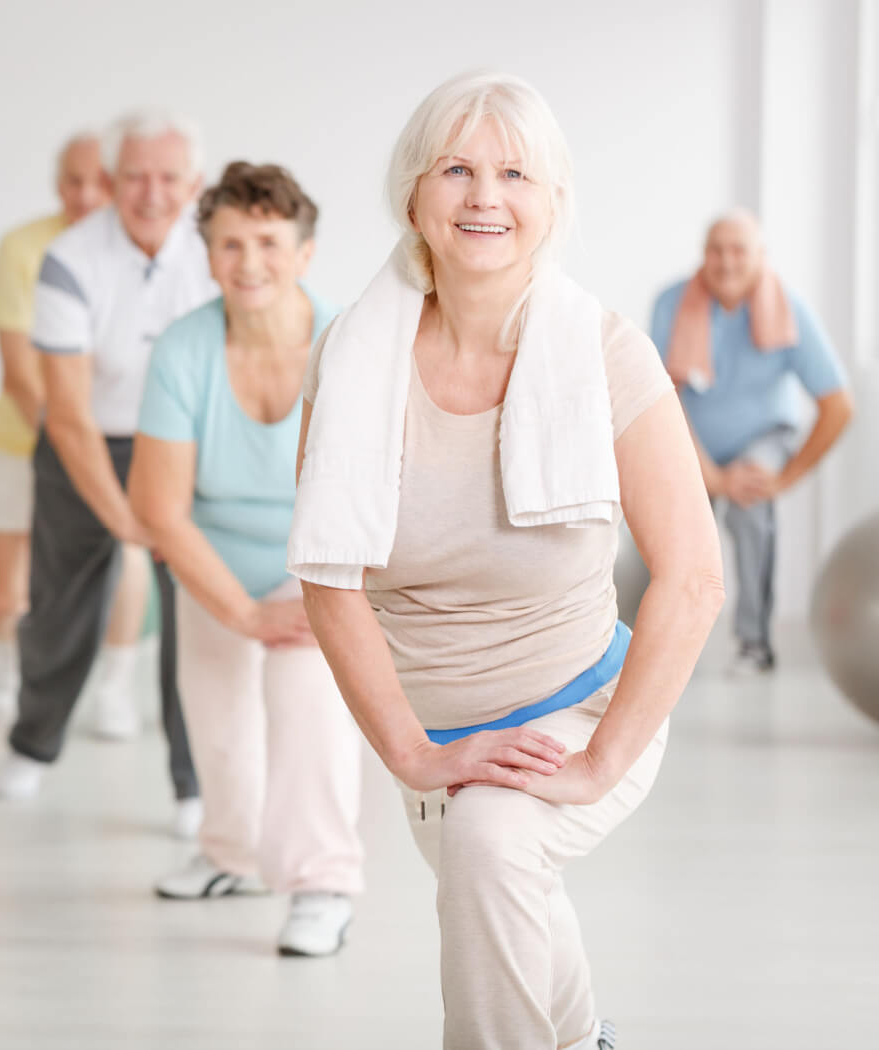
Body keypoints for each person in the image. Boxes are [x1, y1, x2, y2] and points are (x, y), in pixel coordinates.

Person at [290, 72, 723, 1048]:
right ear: (413, 195)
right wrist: (412, 753)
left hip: (579, 708)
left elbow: (693, 579)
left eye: (514, 172)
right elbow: (328, 581)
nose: (485, 195)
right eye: (457, 168)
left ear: (551, 202)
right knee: (502, 888)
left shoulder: (606, 353)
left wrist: (599, 763)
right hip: (434, 732)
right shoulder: (353, 360)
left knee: (490, 841)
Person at [130, 162, 365, 956]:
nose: (248, 261)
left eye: (268, 242)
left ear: (305, 252)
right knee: (221, 728)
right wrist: (239, 611)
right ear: (207, 254)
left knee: (305, 705)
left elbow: (381, 490)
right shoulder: (184, 349)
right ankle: (231, 857)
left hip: (320, 568)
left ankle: (324, 881)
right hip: (213, 565)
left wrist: (310, 598)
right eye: (229, 243)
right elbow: (157, 508)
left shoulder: (352, 343)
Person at [0, 110, 216, 839]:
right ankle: (33, 743)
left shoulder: (217, 249)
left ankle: (193, 782)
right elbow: (68, 410)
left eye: (168, 177)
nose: (152, 192)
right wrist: (124, 521)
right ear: (113, 181)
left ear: (195, 183)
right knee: (60, 607)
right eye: (135, 176)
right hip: (85, 438)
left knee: (194, 611)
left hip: (186, 442)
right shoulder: (70, 257)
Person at [0, 131, 154, 737]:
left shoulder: (138, 253)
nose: (85, 195)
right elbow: (21, 372)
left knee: (124, 560)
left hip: (109, 441)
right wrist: (66, 448)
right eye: (72, 181)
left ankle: (113, 685)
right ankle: (15, 666)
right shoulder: (24, 246)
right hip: (25, 437)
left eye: (98, 181)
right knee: (4, 595)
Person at [650, 210, 853, 673]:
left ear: (761, 257)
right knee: (669, 518)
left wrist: (785, 479)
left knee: (751, 502)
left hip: (763, 436)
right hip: (690, 438)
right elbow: (662, 397)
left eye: (739, 249)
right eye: (716, 249)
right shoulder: (670, 303)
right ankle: (669, 640)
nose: (726, 261)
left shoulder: (791, 308)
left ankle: (754, 644)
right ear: (702, 256)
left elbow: (839, 405)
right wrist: (712, 476)